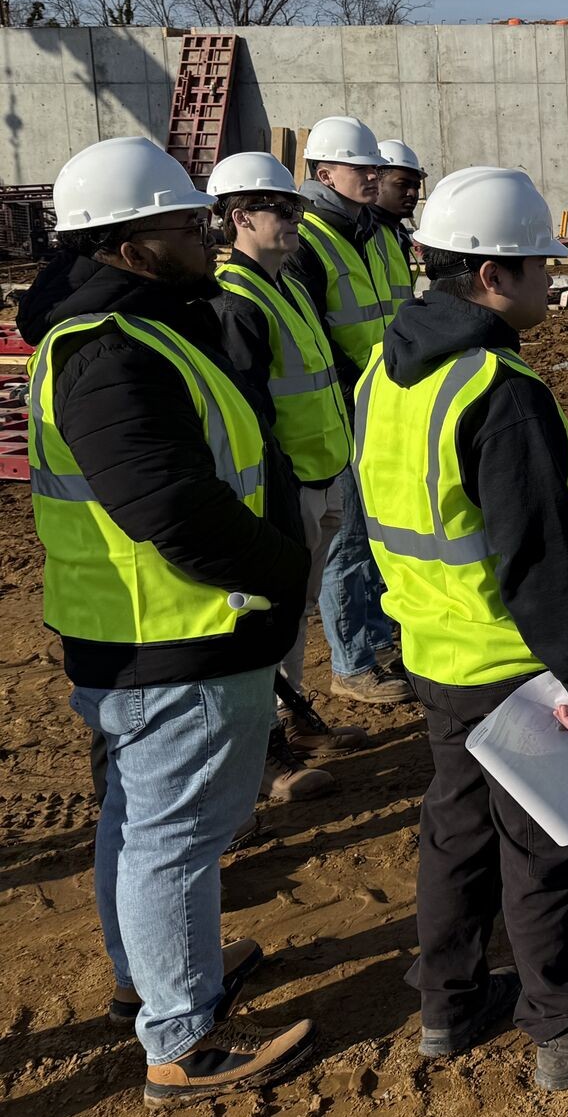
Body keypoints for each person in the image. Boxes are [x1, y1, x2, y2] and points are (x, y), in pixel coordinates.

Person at [352, 165, 568, 1090]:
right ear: (493, 277)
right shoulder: (498, 388)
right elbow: (536, 557)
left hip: (436, 652)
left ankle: (449, 1005)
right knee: (546, 847)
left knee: (456, 834)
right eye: (540, 265)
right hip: (517, 665)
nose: (552, 280)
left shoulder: (388, 366)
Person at [19, 136, 318, 1103]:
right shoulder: (109, 351)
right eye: (185, 221)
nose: (205, 231)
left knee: (143, 822)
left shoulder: (132, 327)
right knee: (175, 837)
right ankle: (181, 1038)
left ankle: (144, 976)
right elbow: (171, 508)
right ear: (131, 241)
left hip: (151, 630)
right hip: (176, 635)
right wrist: (283, 572)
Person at [207, 152, 371, 804]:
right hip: (285, 490)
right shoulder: (236, 300)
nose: (296, 217)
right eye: (283, 208)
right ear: (241, 216)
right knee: (267, 622)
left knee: (293, 618)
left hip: (323, 474)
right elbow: (248, 417)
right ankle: (264, 757)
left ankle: (289, 724)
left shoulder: (287, 283)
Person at [286, 115, 410, 708]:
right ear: (321, 172)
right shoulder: (307, 238)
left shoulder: (376, 233)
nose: (371, 176)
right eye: (359, 167)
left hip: (387, 402)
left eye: (372, 168)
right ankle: (352, 662)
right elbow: (312, 336)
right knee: (349, 543)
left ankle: (380, 643)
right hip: (344, 412)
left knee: (379, 535)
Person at [374, 139, 426, 238]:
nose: (413, 193)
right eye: (402, 184)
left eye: (416, 187)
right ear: (375, 181)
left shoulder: (400, 234)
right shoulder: (364, 233)